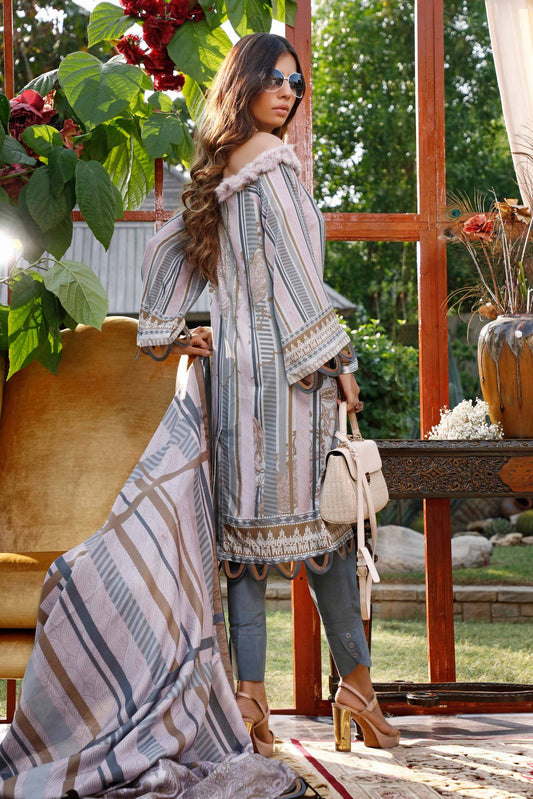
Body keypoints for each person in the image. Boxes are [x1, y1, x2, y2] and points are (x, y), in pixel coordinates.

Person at [138, 32, 400, 755]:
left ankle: (251, 707)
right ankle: (358, 689)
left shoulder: (220, 166)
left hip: (234, 385)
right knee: (326, 536)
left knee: (247, 549)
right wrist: (340, 358)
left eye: (296, 83)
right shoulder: (272, 162)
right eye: (275, 78)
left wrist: (168, 330)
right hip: (291, 380)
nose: (288, 92)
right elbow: (297, 277)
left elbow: (166, 249)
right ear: (245, 82)